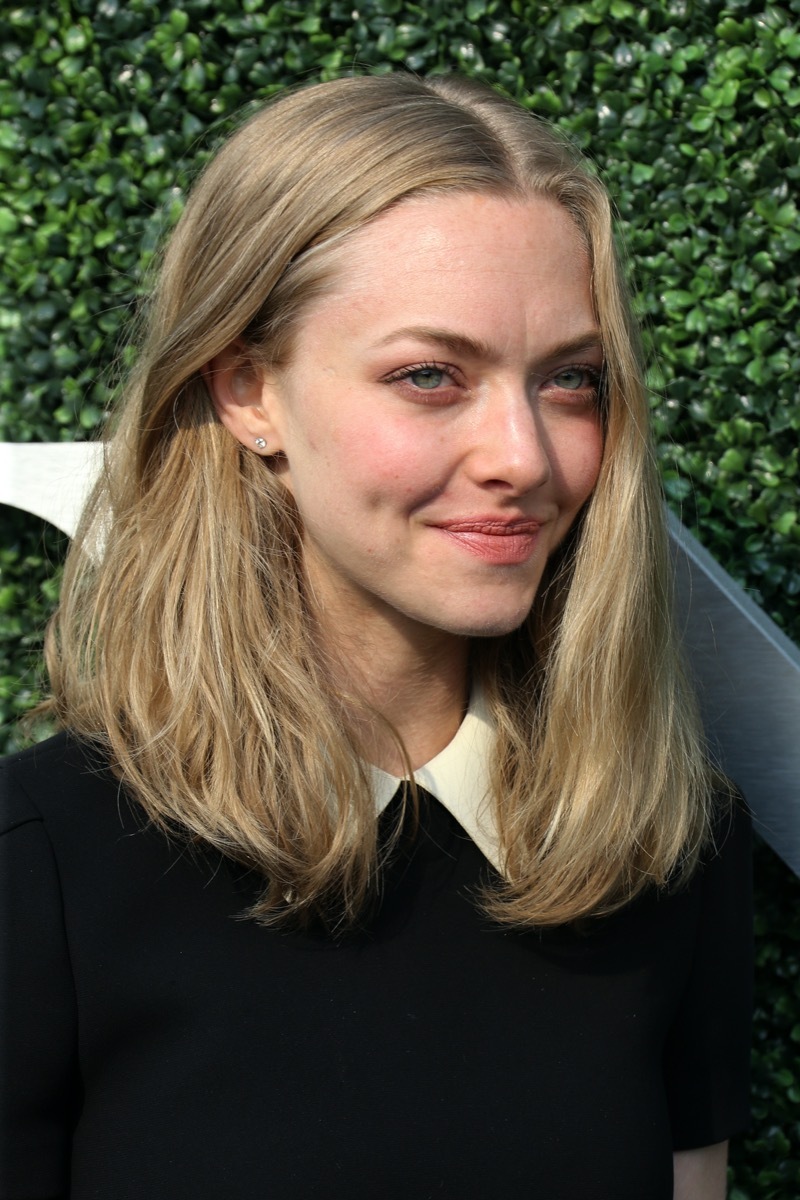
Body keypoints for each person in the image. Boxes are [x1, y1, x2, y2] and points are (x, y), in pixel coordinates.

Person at [0, 73, 752, 1200]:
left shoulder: (661, 840)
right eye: (429, 376)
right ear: (248, 391)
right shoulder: (39, 863)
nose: (523, 456)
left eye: (571, 381)